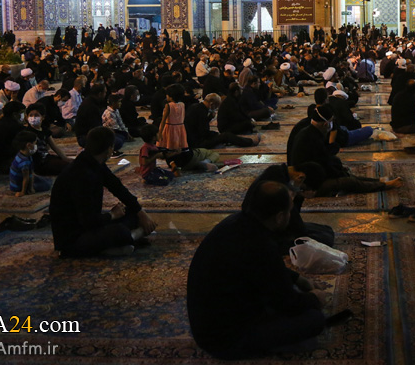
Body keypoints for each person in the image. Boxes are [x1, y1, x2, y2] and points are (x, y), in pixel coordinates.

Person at [187, 181, 326, 359]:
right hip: (226, 341)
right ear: (279, 217)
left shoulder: (235, 224)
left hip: (209, 325)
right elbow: (287, 304)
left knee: (294, 294)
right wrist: (315, 297)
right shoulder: (261, 246)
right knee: (314, 320)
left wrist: (296, 278)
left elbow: (261, 272)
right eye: (289, 211)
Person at [50, 127, 157, 258]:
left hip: (90, 226)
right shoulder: (81, 175)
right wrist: (112, 215)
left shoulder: (95, 163)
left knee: (132, 214)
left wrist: (141, 212)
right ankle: (131, 237)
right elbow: (87, 221)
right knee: (120, 231)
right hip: (73, 238)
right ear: (109, 149)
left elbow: (117, 187)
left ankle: (122, 242)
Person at [9, 130, 52, 197]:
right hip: (18, 186)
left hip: (22, 180)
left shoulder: (23, 155)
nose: (36, 146)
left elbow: (31, 173)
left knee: (47, 180)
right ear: (29, 145)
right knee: (47, 185)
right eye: (35, 143)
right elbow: (26, 178)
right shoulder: (24, 162)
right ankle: (26, 190)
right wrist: (24, 191)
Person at [158, 83, 188, 150]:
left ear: (171, 96)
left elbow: (163, 120)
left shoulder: (168, 106)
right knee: (178, 144)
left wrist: (160, 132)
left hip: (170, 127)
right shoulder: (182, 104)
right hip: (180, 127)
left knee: (169, 144)